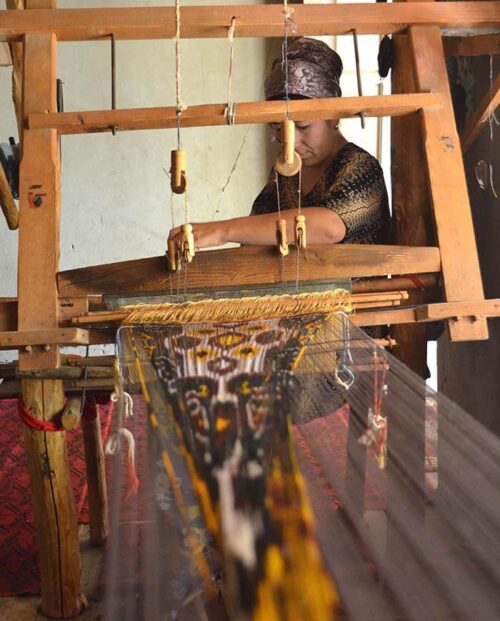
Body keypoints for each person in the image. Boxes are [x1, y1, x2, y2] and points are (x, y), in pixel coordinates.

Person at [168, 37, 390, 250]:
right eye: (277, 128)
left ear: (333, 117)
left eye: (303, 127)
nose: (290, 143)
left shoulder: (360, 167)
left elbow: (330, 227)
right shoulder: (286, 171)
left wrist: (223, 230)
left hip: (360, 289)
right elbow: (256, 230)